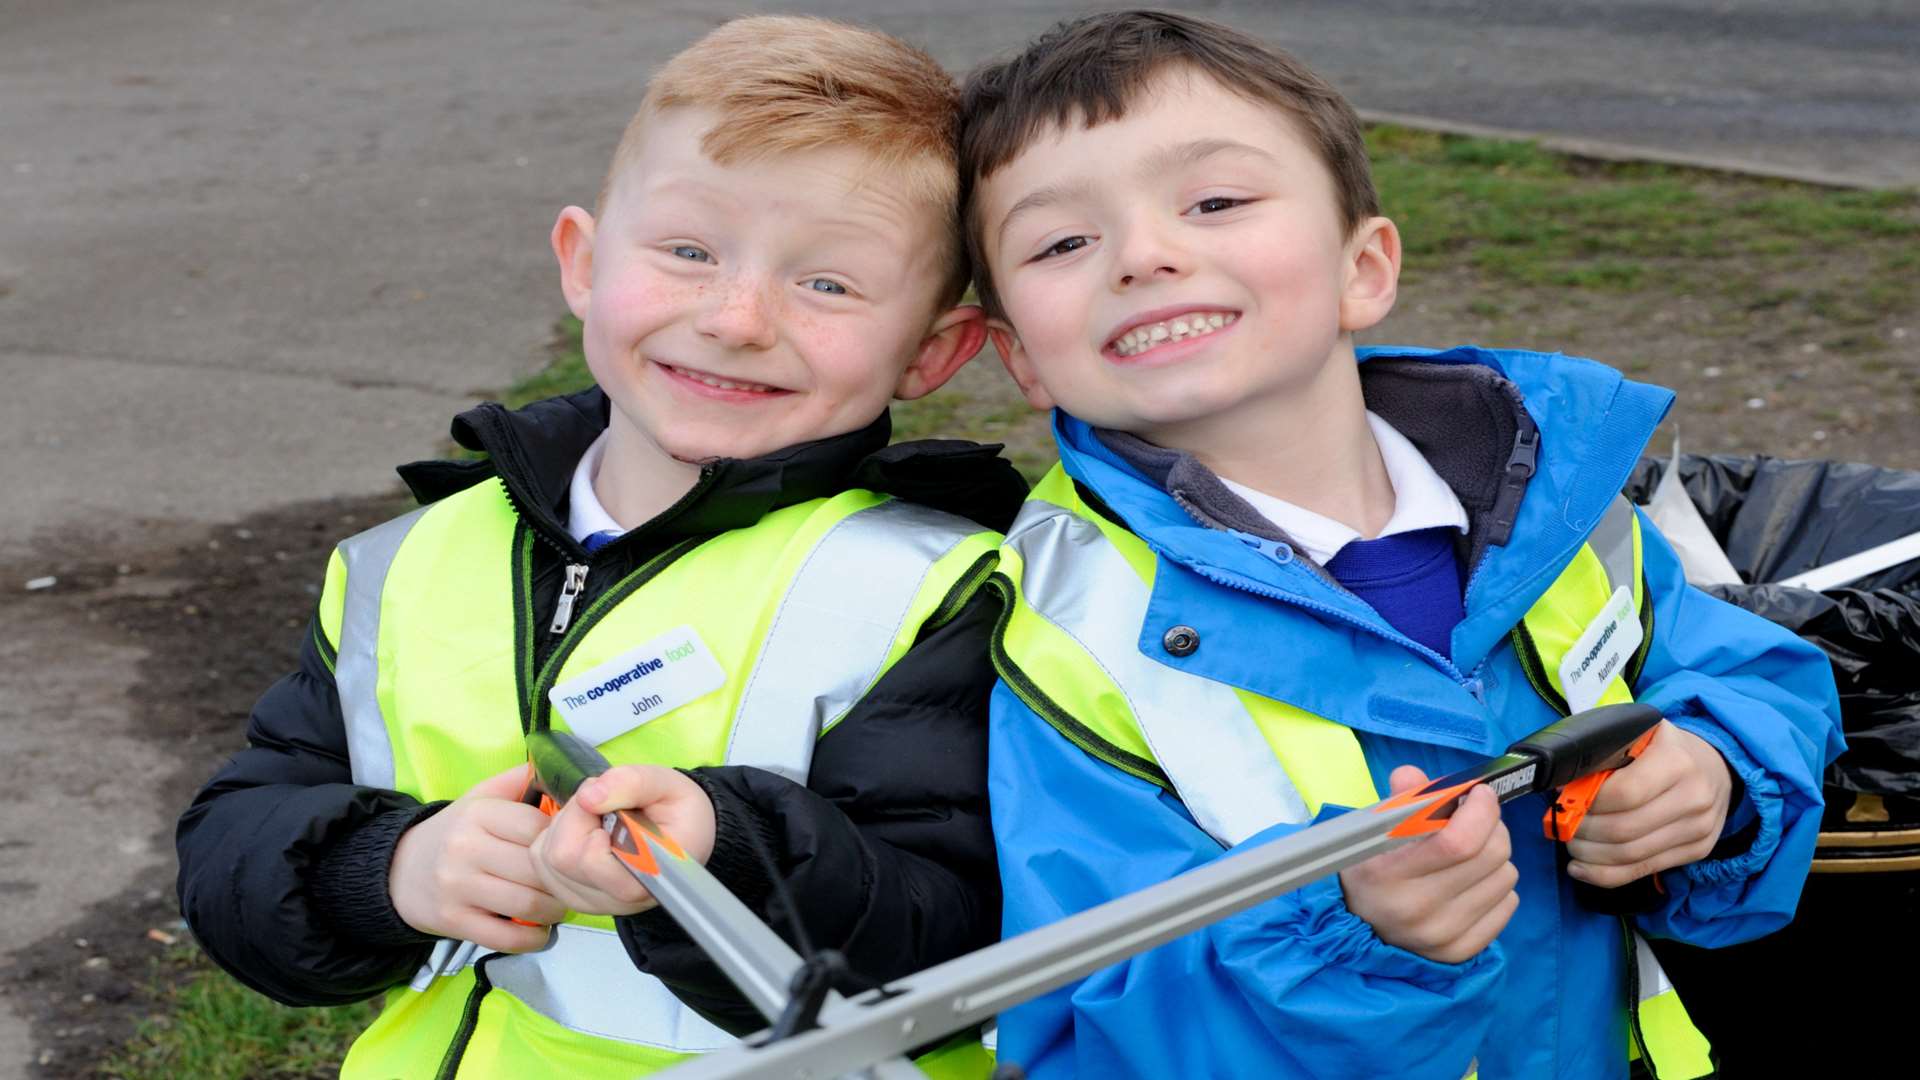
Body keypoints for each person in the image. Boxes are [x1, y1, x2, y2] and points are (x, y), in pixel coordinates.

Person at [957, 11, 1845, 1078]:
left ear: (1363, 267)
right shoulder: (1064, 634)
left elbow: (1754, 677)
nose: (1145, 255)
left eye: (1216, 201)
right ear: (1021, 358)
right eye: (1062, 242)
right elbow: (1081, 1020)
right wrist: (1353, 943)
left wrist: (1718, 775)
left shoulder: (1550, 505)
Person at [176, 15, 1023, 1078]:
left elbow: (953, 934)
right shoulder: (407, 563)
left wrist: (722, 850)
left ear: (933, 350)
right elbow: (235, 838)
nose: (737, 315)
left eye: (829, 283)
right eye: (688, 251)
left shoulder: (935, 595)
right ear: (583, 261)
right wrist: (384, 870)